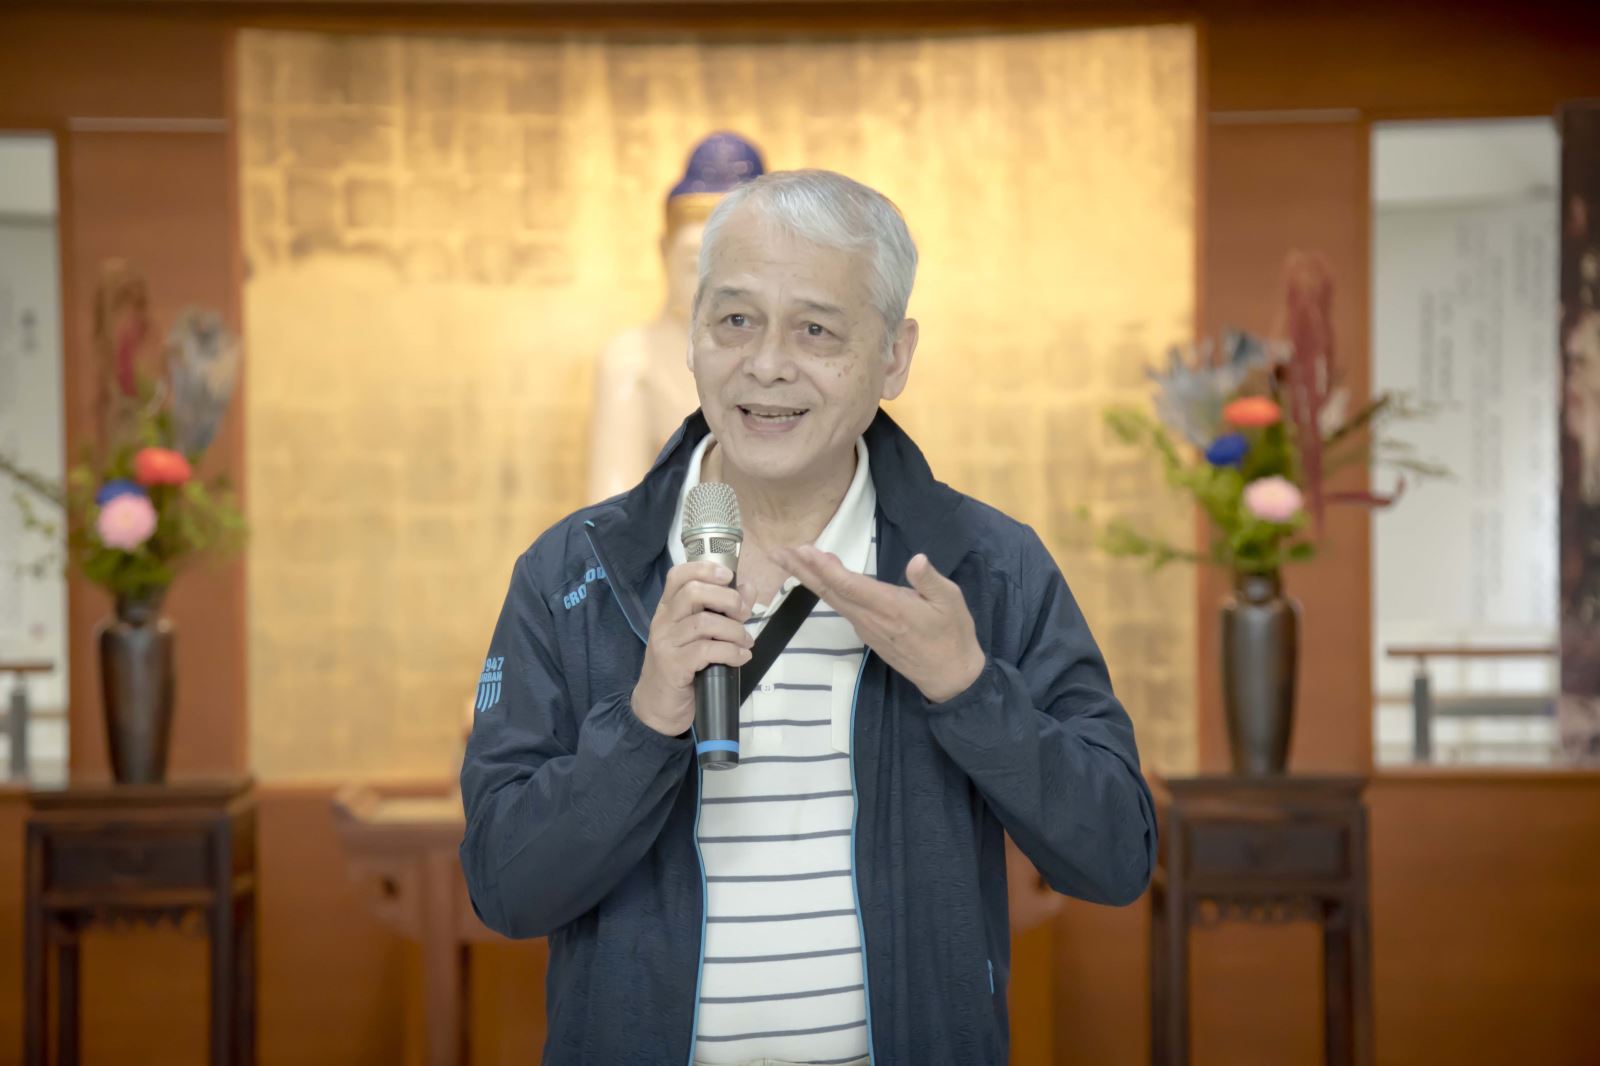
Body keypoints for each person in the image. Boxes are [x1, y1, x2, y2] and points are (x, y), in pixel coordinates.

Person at [461, 169, 1156, 1066]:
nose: (767, 365)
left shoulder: (983, 567)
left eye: (816, 330)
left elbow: (1115, 856)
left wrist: (971, 690)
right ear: (693, 335)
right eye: (735, 320)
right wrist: (643, 725)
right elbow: (505, 887)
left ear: (894, 357)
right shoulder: (576, 574)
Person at [588, 132, 766, 503]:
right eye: (692, 262)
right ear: (664, 253)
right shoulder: (634, 360)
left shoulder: (792, 361)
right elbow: (611, 504)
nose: (714, 284)